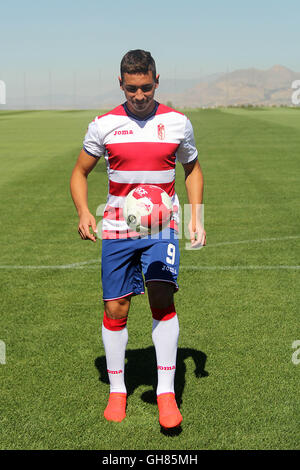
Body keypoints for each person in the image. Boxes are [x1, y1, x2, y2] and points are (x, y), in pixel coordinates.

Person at [70, 49, 206, 429]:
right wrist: (83, 211)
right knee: (116, 309)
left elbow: (192, 169)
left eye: (146, 87)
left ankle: (165, 392)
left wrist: (196, 217)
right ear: (121, 84)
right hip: (116, 230)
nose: (140, 95)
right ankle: (117, 389)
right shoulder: (104, 125)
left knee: (162, 297)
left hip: (162, 228)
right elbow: (79, 173)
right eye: (132, 89)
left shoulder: (178, 123)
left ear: (157, 81)